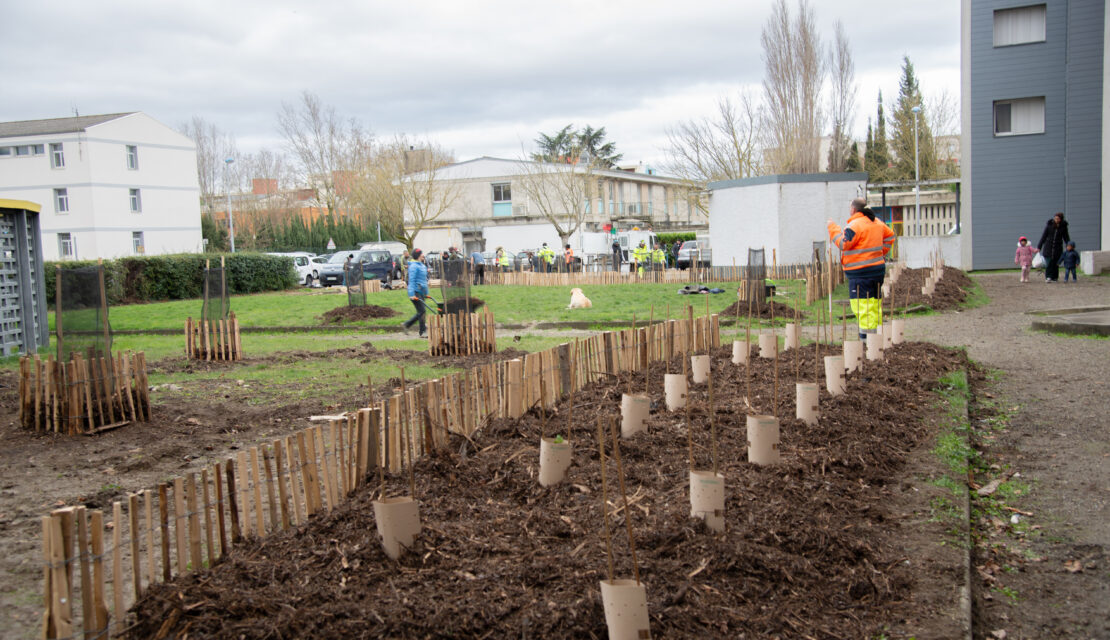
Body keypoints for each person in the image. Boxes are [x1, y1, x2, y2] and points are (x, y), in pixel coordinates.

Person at [828, 198, 895, 340]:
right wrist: (880, 253)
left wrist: (833, 229)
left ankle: (867, 340)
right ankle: (876, 339)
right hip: (877, 271)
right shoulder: (877, 223)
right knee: (874, 305)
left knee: (862, 306)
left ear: (853, 209)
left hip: (860, 273)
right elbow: (890, 237)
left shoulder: (855, 225)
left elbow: (843, 244)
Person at [1037, 212, 1070, 282]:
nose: (1056, 220)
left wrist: (1069, 245)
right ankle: (1048, 276)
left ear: (1060, 219)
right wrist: (1039, 246)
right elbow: (1043, 236)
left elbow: (1066, 237)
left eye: (1058, 218)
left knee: (1056, 263)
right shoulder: (1049, 225)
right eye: (1055, 218)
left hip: (1058, 247)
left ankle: (1055, 277)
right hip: (1048, 247)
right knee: (1049, 262)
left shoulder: (1063, 227)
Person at [402, 249, 429, 337]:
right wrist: (411, 294)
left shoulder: (422, 265)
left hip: (421, 292)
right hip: (415, 291)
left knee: (421, 311)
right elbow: (411, 281)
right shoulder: (413, 266)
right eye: (421, 254)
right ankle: (422, 332)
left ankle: (407, 324)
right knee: (422, 311)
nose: (423, 255)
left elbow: (424, 281)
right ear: (418, 255)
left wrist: (426, 293)